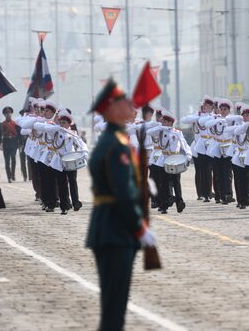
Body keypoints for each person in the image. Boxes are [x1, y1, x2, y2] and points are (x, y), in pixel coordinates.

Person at [86, 80, 156, 330]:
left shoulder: (113, 140)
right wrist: (139, 228)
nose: (130, 106)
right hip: (115, 230)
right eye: (124, 102)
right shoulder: (116, 145)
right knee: (115, 306)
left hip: (110, 228)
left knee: (113, 304)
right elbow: (124, 194)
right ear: (112, 109)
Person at [1, 106, 20, 183]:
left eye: (9, 112)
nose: (8, 114)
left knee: (13, 158)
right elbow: (1, 134)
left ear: (11, 113)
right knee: (7, 161)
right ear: (4, 114)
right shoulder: (2, 124)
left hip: (13, 143)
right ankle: (9, 177)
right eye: (6, 113)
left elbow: (19, 134)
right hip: (6, 143)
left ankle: (13, 174)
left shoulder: (15, 124)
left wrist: (20, 143)